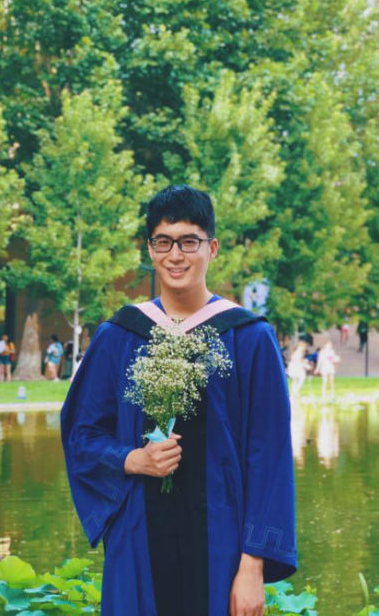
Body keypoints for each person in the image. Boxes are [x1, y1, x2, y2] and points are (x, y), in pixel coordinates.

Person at [61, 184, 296, 616]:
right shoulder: (120, 336)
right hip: (138, 541)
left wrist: (252, 566)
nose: (175, 255)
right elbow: (81, 435)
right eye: (163, 242)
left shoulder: (249, 338)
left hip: (223, 549)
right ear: (149, 249)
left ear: (212, 248)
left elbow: (270, 458)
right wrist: (134, 459)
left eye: (189, 241)